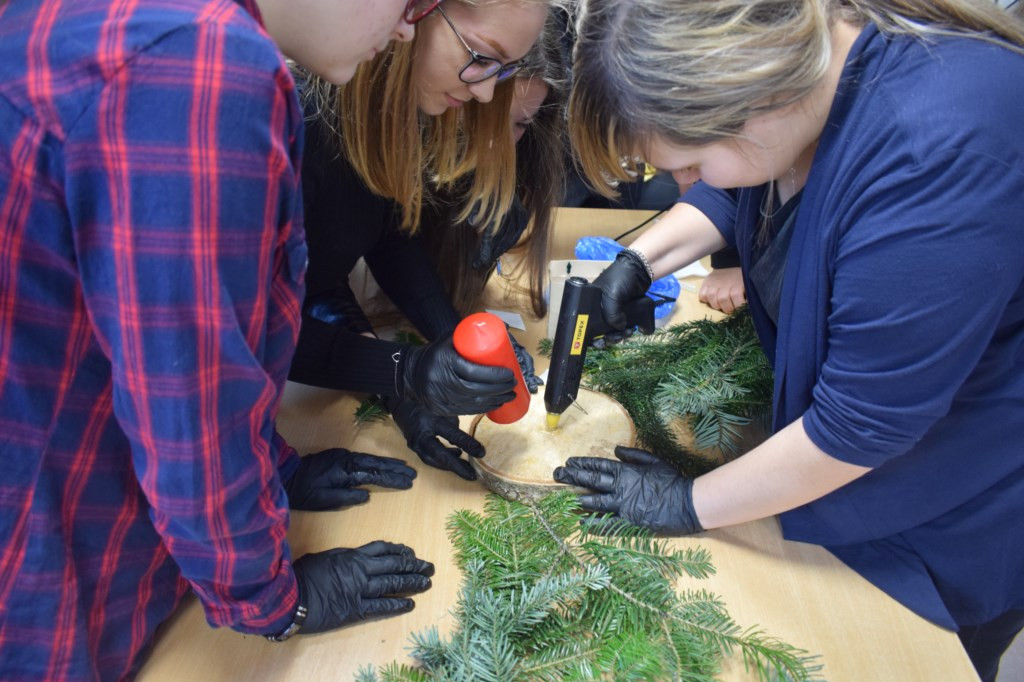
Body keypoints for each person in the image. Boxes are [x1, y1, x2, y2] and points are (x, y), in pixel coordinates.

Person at [555, 2, 1024, 681]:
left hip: (954, 510)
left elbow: (859, 426)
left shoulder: (939, 148)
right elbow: (739, 185)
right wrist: (640, 261)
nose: (683, 183)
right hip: (864, 470)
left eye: (686, 162)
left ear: (755, 99)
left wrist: (687, 504)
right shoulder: (800, 98)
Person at [0, 1, 438, 679]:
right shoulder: (197, 56)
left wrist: (277, 472)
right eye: (411, 2)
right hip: (50, 573)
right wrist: (269, 599)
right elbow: (189, 397)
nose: (410, 27)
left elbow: (175, 325)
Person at [288, 2, 568, 481]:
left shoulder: (391, 123)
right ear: (414, 14)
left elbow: (382, 241)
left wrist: (449, 339)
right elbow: (249, 326)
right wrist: (403, 371)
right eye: (481, 57)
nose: (483, 94)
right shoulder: (298, 123)